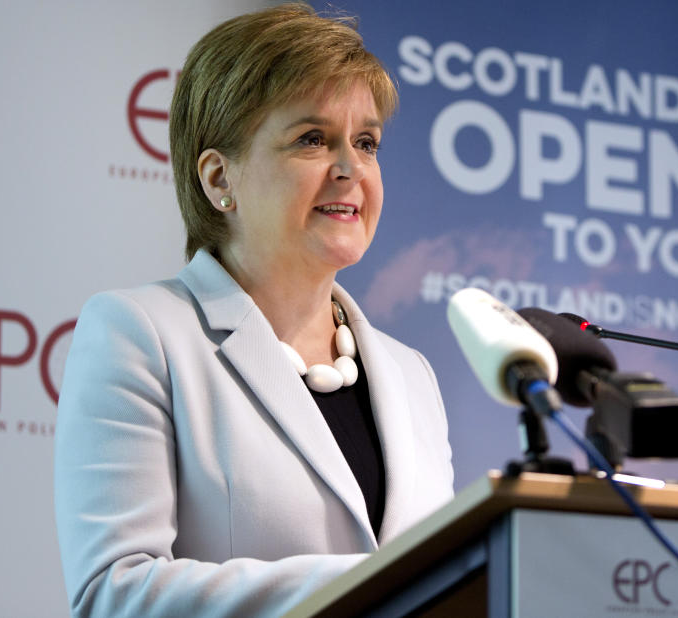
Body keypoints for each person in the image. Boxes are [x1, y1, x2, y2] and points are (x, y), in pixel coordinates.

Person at [53, 4, 454, 616]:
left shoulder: (413, 376)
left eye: (366, 142)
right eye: (312, 139)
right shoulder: (141, 335)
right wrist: (376, 584)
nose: (350, 169)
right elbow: (115, 592)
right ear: (220, 179)